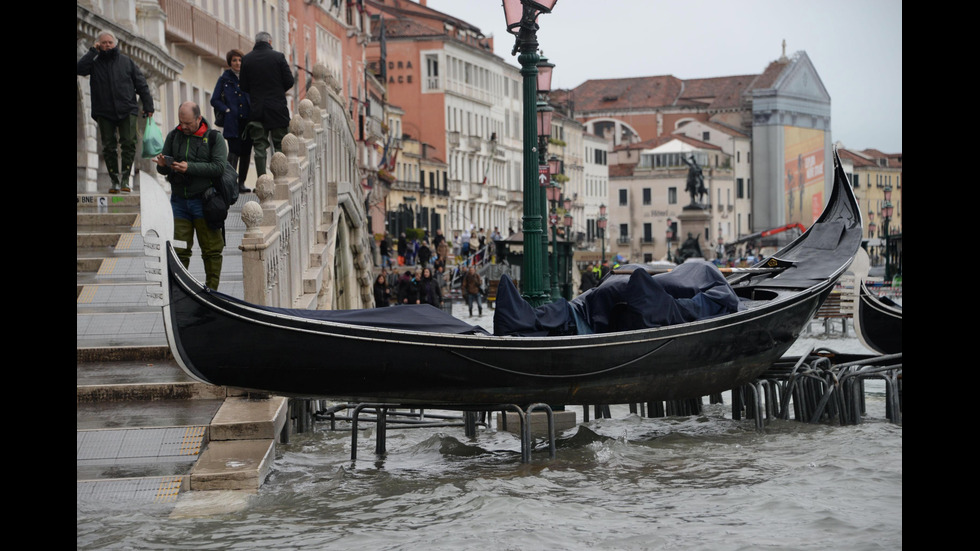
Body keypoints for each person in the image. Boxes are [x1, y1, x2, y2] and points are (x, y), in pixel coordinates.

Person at [153, 102, 228, 290]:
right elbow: (161, 170)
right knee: (179, 249)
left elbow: (219, 167)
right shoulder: (174, 135)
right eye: (181, 122)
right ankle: (179, 290)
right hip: (179, 202)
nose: (183, 126)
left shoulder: (213, 138)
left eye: (187, 123)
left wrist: (189, 167)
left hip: (205, 201)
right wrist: (163, 164)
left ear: (198, 119)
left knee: (211, 250)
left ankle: (212, 291)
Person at [77, 30, 154, 194]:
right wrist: (92, 51)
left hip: (127, 109)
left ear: (115, 44)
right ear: (99, 44)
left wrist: (148, 106)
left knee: (128, 143)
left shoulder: (127, 62)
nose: (106, 45)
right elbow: (79, 69)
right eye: (103, 43)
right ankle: (114, 181)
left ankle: (125, 178)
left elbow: (141, 84)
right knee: (109, 146)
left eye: (109, 42)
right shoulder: (94, 62)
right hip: (104, 111)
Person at [239, 31, 293, 178]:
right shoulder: (278, 57)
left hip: (256, 109)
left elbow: (243, 85)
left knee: (259, 147)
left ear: (255, 43)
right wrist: (277, 90)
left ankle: (262, 179)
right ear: (270, 42)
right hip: (277, 108)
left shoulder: (247, 59)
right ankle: (281, 178)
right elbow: (289, 81)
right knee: (280, 145)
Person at [210, 49, 253, 194]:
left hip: (247, 121)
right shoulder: (224, 79)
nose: (238, 63)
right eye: (234, 60)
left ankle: (241, 183)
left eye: (240, 60)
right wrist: (226, 110)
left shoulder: (248, 77)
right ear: (230, 62)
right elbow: (214, 99)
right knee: (234, 152)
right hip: (232, 122)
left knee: (246, 152)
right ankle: (230, 182)